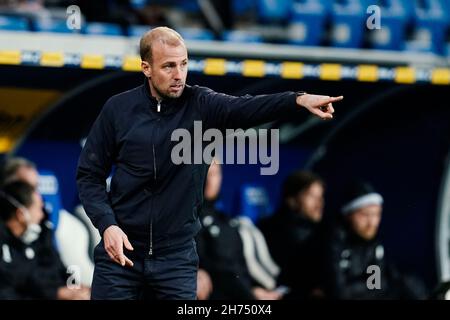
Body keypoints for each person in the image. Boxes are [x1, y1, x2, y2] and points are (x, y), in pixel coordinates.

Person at [76, 26, 343, 300]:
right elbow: (88, 175)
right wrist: (107, 225)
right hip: (121, 253)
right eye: (168, 66)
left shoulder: (201, 104)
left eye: (183, 64)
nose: (179, 74)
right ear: (146, 68)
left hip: (175, 260)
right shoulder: (117, 109)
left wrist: (297, 100)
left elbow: (246, 108)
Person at [321, 180, 427, 299]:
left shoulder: (373, 245)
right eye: (365, 214)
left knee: (410, 283)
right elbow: (338, 292)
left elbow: (375, 285)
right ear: (348, 214)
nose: (372, 222)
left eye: (376, 214)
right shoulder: (332, 242)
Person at [196, 160, 282, 300]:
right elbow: (221, 270)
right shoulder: (185, 220)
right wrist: (251, 295)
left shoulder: (227, 221)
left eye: (215, 174)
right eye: (205, 173)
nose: (209, 180)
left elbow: (239, 267)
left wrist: (255, 289)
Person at [0, 180, 90, 299]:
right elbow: (10, 291)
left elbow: (60, 267)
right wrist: (56, 294)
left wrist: (75, 287)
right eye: (38, 209)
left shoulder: (40, 234)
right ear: (21, 214)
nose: (41, 215)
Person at [258, 170, 326, 299]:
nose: (319, 203)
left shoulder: (316, 229)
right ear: (291, 199)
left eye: (321, 196)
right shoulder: (278, 229)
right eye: (311, 196)